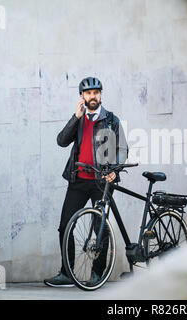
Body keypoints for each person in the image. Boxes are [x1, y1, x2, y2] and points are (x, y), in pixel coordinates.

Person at [44, 77, 128, 287]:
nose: (93, 96)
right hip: (78, 180)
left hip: (102, 182)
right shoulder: (79, 119)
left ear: (100, 95)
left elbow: (122, 149)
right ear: (82, 96)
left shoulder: (111, 120)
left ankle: (96, 274)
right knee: (65, 226)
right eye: (89, 93)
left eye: (96, 92)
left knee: (101, 227)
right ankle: (67, 273)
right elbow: (62, 141)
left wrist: (114, 171)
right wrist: (75, 117)